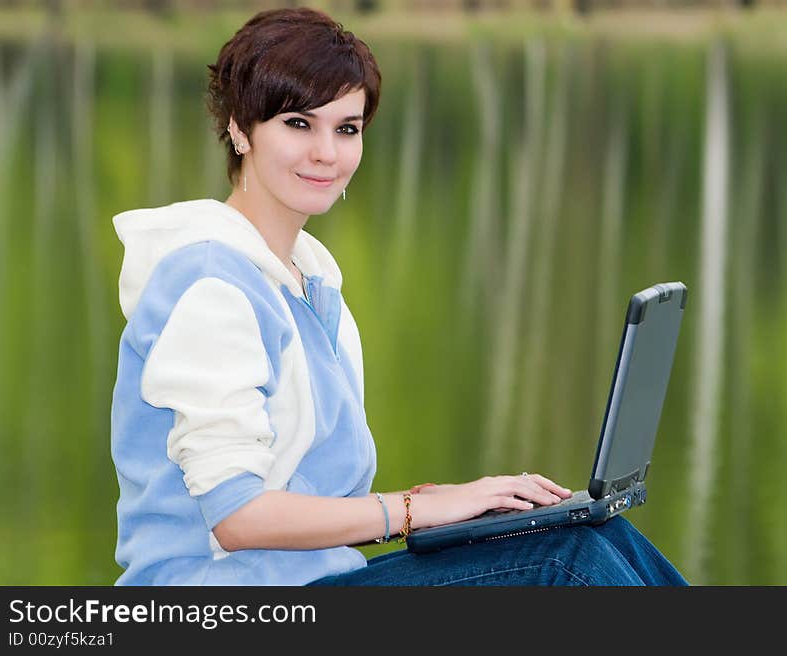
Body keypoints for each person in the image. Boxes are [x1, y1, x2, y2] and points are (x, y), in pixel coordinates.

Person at [110, 6, 687, 586]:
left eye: (347, 128)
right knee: (565, 565)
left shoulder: (309, 283)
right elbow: (238, 517)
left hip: (325, 581)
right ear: (240, 127)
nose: (326, 153)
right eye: (297, 123)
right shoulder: (211, 283)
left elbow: (312, 489)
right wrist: (414, 512)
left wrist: (453, 503)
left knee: (595, 533)